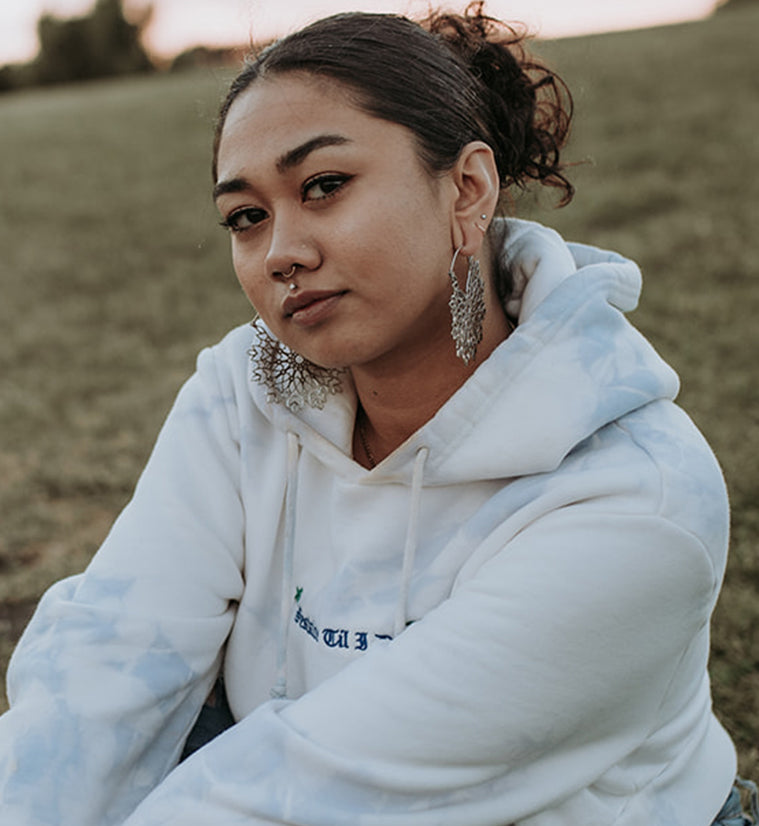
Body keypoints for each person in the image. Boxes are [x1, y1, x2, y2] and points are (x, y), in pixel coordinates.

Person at [0, 5, 754, 825]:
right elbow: (107, 664)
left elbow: (302, 794)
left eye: (324, 186)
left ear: (467, 187)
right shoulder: (243, 391)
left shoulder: (634, 500)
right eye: (245, 217)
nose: (280, 250)